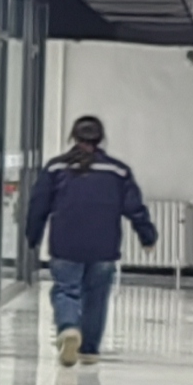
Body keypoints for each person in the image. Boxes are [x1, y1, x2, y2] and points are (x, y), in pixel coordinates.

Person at [22, 112, 157, 364]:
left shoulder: (55, 168)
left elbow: (38, 205)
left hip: (65, 244)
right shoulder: (118, 171)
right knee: (97, 297)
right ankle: (89, 349)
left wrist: (32, 237)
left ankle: (69, 328)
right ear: (100, 139)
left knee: (66, 290)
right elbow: (135, 208)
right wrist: (147, 236)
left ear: (73, 137)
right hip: (104, 246)